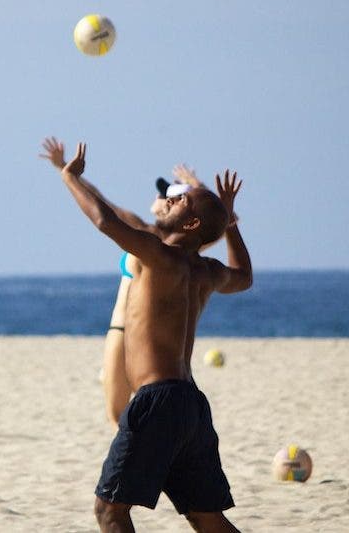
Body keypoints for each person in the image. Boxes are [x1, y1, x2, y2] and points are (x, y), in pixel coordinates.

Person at [56, 141, 251, 532]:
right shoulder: (206, 272)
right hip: (190, 406)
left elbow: (104, 221)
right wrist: (229, 223)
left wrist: (69, 177)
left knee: (109, 510)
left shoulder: (158, 256)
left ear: (190, 223)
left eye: (179, 202)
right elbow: (244, 276)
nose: (168, 201)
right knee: (205, 516)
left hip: (157, 401)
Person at [40, 138, 207, 427]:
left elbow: (219, 221)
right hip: (121, 330)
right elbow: (103, 205)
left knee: (153, 415)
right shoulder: (140, 230)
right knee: (118, 415)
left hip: (153, 339)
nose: (161, 198)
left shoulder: (180, 250)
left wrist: (199, 188)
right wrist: (64, 170)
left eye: (169, 195)